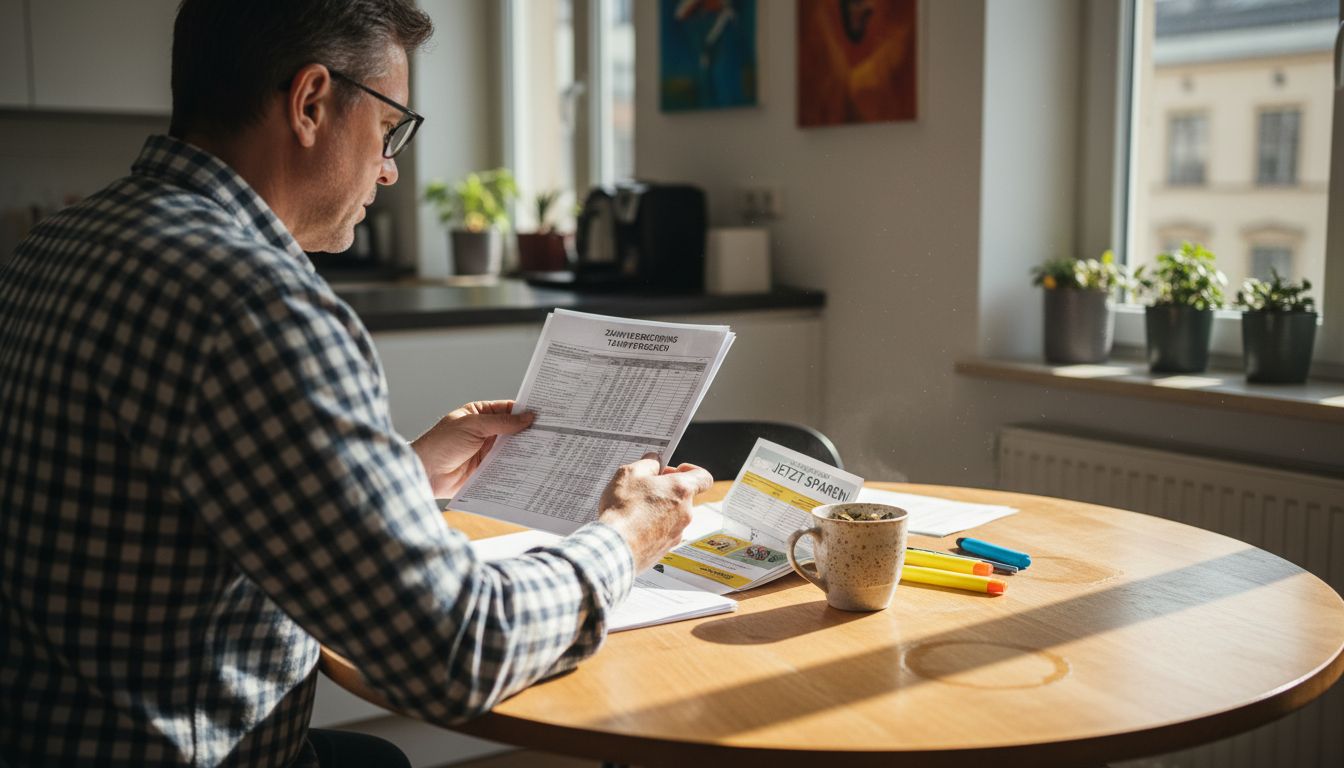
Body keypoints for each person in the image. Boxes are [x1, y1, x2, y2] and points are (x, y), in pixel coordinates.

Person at [0, 2, 712, 766]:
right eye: (389, 128)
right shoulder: (257, 303)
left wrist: (400, 475)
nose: (389, 166)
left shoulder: (56, 246)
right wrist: (625, 538)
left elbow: (164, 501)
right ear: (310, 103)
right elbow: (453, 650)